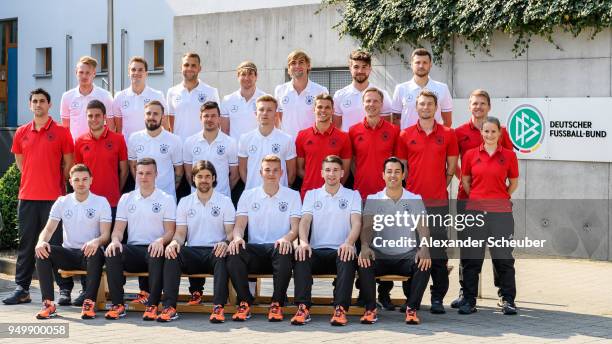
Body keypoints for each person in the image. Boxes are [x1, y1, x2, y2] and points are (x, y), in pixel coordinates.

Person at [3, 88, 75, 306]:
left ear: (49, 105)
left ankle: (64, 290)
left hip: (54, 198)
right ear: (30, 105)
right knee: (26, 245)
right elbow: (20, 163)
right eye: (34, 101)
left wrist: (54, 180)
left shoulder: (62, 132)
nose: (38, 104)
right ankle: (22, 289)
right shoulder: (22, 132)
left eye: (42, 101)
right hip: (27, 198)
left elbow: (68, 164)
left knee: (56, 244)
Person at [395, 89, 458, 314]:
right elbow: (403, 170)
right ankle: (412, 298)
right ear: (416, 107)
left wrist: (439, 185)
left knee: (438, 255)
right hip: (412, 205)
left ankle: (438, 298)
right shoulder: (405, 135)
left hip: (438, 203)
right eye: (421, 104)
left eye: (430, 104)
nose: (425, 107)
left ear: (436, 107)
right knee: (411, 252)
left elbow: (451, 169)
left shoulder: (449, 134)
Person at [451, 89, 513, 309]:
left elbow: (507, 161)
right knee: (468, 248)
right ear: (469, 106)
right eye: (474, 103)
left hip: (495, 202)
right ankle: (465, 293)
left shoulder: (500, 131)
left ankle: (503, 294)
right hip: (466, 199)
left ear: (489, 106)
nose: (478, 107)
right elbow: (453, 161)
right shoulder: (459, 132)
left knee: (500, 249)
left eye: (482, 104)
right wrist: (466, 180)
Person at [227, 155, 301, 322]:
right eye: (267, 170)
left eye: (275, 170)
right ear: (260, 172)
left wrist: (286, 239)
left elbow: (295, 228)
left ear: (281, 173)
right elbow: (239, 226)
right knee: (234, 252)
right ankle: (245, 302)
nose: (271, 173)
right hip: (255, 249)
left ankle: (277, 303)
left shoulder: (292, 195)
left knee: (284, 249)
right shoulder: (247, 195)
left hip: (278, 248)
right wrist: (237, 237)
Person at [359, 157, 432, 325]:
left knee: (425, 261)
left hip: (406, 255)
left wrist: (424, 248)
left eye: (397, 172)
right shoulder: (373, 198)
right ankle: (370, 309)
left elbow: (423, 227)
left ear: (404, 175)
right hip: (381, 255)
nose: (393, 175)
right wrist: (364, 245)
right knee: (363, 260)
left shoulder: (414, 198)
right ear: (383, 175)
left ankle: (412, 309)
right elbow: (367, 227)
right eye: (389, 172)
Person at [159, 161, 235, 323]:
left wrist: (225, 243)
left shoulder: (225, 201)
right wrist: (174, 243)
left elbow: (231, 234)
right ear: (193, 179)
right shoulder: (185, 202)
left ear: (214, 178)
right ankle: (169, 307)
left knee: (222, 256)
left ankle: (218, 307)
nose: (204, 180)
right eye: (200, 176)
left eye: (208, 176)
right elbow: (180, 234)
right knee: (172, 254)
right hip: (193, 251)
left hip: (215, 251)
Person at [291, 155, 361, 326]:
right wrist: (304, 242)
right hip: (316, 251)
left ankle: (340, 309)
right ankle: (303, 307)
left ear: (342, 173)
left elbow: (356, 222)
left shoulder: (353, 195)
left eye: (335, 170)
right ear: (322, 173)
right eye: (328, 170)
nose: (332, 174)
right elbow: (305, 221)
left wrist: (349, 242)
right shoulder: (311, 195)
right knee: (301, 253)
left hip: (340, 250)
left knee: (347, 255)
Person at [34, 164, 111, 320]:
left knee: (95, 251)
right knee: (42, 252)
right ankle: (48, 304)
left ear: (91, 181)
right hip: (68, 254)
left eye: (85, 179)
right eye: (77, 180)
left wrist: (96, 242)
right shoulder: (62, 201)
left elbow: (106, 235)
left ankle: (89, 303)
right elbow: (48, 230)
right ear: (70, 182)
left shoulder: (101, 202)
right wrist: (41, 242)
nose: (81, 183)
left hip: (89, 254)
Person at [103, 158, 176, 321]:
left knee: (156, 252)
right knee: (112, 251)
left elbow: (171, 231)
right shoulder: (127, 198)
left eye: (148, 173)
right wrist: (115, 240)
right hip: (134, 250)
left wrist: (160, 241)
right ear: (136, 174)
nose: (144, 177)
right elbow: (118, 230)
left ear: (156, 174)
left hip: (155, 248)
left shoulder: (166, 199)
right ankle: (117, 304)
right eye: (141, 173)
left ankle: (152, 304)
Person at [460, 116, 519, 316]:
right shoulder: (469, 155)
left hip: (501, 214)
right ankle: (469, 300)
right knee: (472, 259)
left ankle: (508, 299)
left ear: (500, 134)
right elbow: (466, 181)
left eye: (494, 131)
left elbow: (513, 183)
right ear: (481, 133)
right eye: (486, 131)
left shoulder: (509, 156)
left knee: (503, 258)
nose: (490, 135)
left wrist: (500, 197)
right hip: (475, 212)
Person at [182, 101, 238, 304]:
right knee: (195, 241)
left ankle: (220, 296)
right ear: (201, 118)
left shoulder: (230, 143)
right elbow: (188, 173)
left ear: (219, 118)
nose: (210, 119)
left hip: (221, 201)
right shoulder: (190, 142)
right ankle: (195, 291)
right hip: (196, 200)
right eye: (206, 116)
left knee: (221, 245)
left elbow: (234, 174)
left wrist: (218, 193)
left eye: (214, 115)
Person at [75, 100, 128, 215]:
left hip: (112, 201)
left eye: (97, 115)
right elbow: (78, 173)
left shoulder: (119, 139)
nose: (94, 119)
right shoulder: (79, 141)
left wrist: (116, 190)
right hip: (87, 201)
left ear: (104, 117)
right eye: (90, 116)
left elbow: (124, 171)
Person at [295, 94, 351, 199]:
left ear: (333, 111)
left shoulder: (344, 137)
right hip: (308, 194)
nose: (323, 110)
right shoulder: (302, 135)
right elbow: (299, 169)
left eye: (327, 107)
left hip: (334, 195)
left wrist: (333, 187)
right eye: (320, 107)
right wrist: (312, 180)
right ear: (314, 109)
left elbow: (345, 171)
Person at [349, 87, 400, 199]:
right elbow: (352, 161)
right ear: (363, 104)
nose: (371, 104)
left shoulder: (394, 130)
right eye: (368, 101)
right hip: (361, 193)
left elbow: (398, 162)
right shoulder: (353, 131)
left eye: (375, 101)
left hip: (388, 194)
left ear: (381, 104)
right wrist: (360, 176)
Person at [238, 95, 296, 190]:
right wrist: (253, 187)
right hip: (253, 195)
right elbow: (242, 171)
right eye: (261, 109)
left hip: (279, 195)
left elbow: (292, 173)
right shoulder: (245, 139)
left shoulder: (287, 139)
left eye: (269, 110)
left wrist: (282, 189)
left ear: (276, 114)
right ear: (256, 113)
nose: (265, 113)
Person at [128, 100, 183, 200]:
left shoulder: (174, 140)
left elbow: (179, 171)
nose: (151, 117)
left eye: (155, 114)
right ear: (144, 116)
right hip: (141, 198)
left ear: (162, 117)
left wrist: (168, 190)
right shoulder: (134, 138)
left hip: (166, 198)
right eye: (148, 113)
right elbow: (133, 166)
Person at [391, 48, 452, 129]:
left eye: (425, 62)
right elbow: (395, 121)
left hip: (433, 140)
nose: (421, 66)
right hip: (407, 140)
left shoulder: (442, 88)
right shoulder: (400, 89)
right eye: (417, 62)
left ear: (430, 65)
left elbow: (447, 121)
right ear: (411, 64)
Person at [333, 49, 393, 131]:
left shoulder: (382, 94)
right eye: (356, 67)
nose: (360, 71)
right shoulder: (339, 95)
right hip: (348, 143)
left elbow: (387, 128)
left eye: (364, 67)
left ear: (370, 69)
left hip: (372, 143)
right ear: (350, 68)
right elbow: (336, 128)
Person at [274, 50, 328, 138]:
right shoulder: (280, 90)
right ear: (289, 68)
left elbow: (326, 120)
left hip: (311, 143)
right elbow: (277, 119)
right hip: (287, 144)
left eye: (301, 62)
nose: (297, 66)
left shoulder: (320, 90)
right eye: (293, 63)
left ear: (308, 65)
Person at [112, 56, 167, 142]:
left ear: (146, 73)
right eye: (133, 70)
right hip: (128, 148)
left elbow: (164, 125)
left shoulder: (157, 95)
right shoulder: (119, 97)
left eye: (140, 70)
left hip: (151, 147)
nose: (136, 72)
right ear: (129, 73)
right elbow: (118, 129)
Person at [166, 52, 220, 140]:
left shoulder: (211, 91)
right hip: (180, 146)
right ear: (181, 68)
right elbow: (170, 122)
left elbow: (217, 121)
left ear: (199, 68)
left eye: (193, 65)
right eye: (186, 65)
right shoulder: (172, 92)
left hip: (202, 145)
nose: (189, 68)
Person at [61, 56, 114, 139]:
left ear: (94, 74)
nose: (84, 76)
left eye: (87, 73)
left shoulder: (105, 96)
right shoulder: (67, 97)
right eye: (81, 72)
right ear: (76, 73)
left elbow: (111, 127)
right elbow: (65, 128)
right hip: (76, 148)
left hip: (98, 147)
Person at [220, 61, 266, 141]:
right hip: (236, 152)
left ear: (256, 76)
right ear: (238, 76)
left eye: (250, 74)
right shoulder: (228, 100)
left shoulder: (265, 99)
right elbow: (224, 132)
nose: (247, 78)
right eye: (243, 74)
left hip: (259, 151)